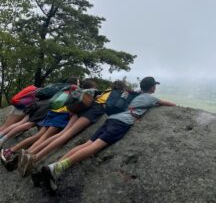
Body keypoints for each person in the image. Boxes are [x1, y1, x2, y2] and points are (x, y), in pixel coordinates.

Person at [39, 76, 176, 190]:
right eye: (154, 86)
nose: (155, 88)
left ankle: (54, 167)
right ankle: (57, 167)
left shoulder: (132, 93)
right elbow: (171, 105)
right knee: (95, 147)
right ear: (152, 87)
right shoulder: (150, 98)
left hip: (110, 119)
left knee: (87, 144)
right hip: (121, 123)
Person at [18, 80, 127, 176]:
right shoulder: (118, 94)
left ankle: (31, 153)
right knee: (66, 135)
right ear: (121, 88)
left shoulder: (105, 91)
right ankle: (36, 157)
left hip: (82, 108)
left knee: (62, 134)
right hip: (94, 111)